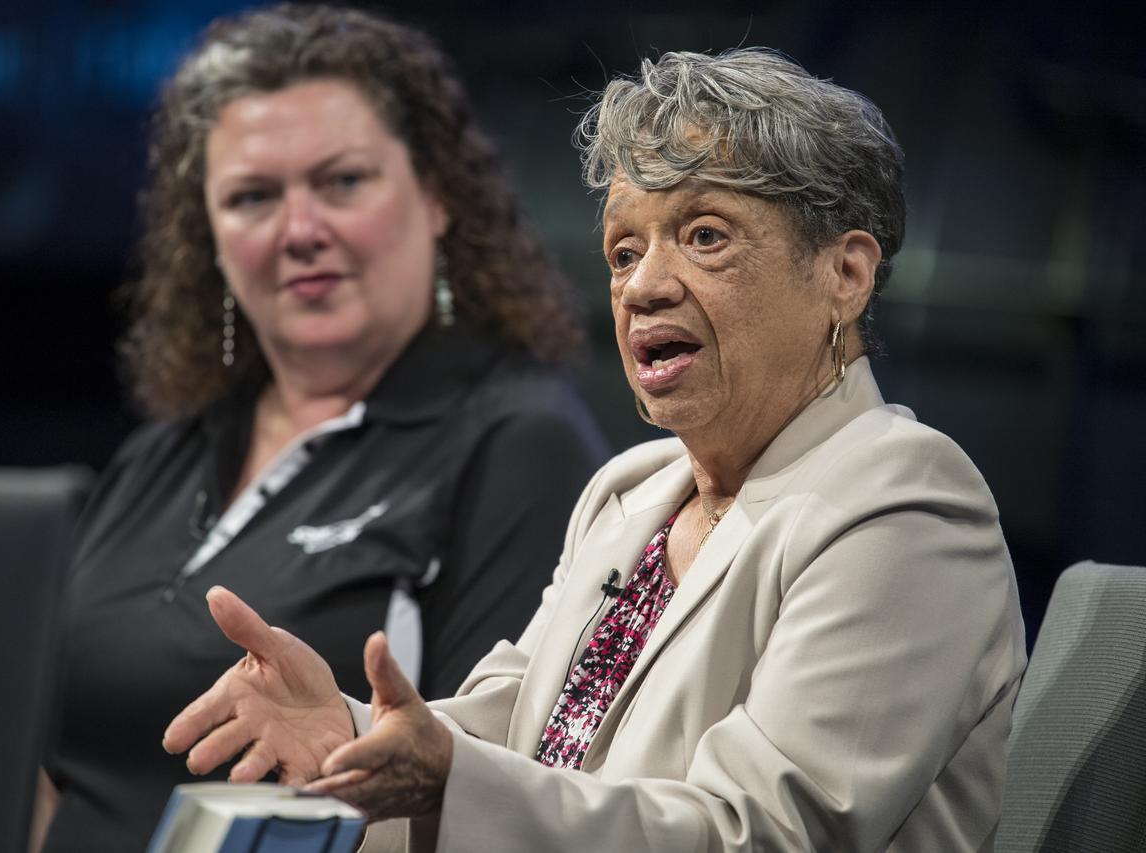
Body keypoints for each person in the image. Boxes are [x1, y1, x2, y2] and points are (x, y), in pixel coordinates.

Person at [163, 47, 1029, 852]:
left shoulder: (904, 501)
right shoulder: (629, 491)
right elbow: (504, 736)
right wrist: (351, 736)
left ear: (844, 273)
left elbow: (759, 831)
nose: (645, 284)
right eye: (624, 250)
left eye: (705, 236)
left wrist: (448, 779)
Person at [37, 6, 608, 852]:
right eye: (254, 197)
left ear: (437, 196)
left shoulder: (521, 443)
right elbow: (49, 762)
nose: (301, 230)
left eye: (342, 182)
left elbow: (513, 786)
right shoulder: (162, 450)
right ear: (212, 237)